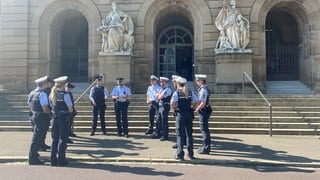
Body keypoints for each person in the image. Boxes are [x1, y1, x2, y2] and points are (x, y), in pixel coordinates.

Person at [170, 76, 198, 160]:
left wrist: (175, 108)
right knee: (189, 135)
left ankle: (180, 154)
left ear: (177, 83)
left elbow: (172, 103)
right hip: (189, 114)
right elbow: (197, 100)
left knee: (180, 135)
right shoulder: (190, 92)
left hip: (180, 115)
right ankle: (191, 154)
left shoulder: (177, 92)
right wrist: (193, 107)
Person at [49, 76, 73, 166]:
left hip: (55, 118)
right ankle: (61, 160)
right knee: (62, 139)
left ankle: (53, 160)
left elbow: (51, 106)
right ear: (64, 84)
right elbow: (70, 109)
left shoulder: (52, 94)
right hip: (63, 118)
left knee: (54, 139)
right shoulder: (65, 94)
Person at [27, 76, 51, 165]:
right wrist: (49, 114)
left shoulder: (32, 93)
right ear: (44, 84)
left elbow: (29, 104)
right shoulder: (42, 94)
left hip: (34, 115)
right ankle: (33, 158)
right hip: (41, 117)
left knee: (36, 136)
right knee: (37, 138)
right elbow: (45, 107)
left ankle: (34, 154)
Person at [195, 74, 212, 154]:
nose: (196, 82)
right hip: (204, 110)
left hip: (204, 110)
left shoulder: (203, 90)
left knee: (204, 130)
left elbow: (203, 102)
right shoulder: (202, 89)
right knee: (204, 129)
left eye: (198, 80)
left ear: (201, 81)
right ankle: (204, 146)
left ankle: (206, 148)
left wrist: (197, 108)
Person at [153, 77, 172, 141]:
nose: (160, 83)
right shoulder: (162, 89)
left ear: (165, 82)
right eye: (160, 82)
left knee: (164, 121)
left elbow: (160, 96)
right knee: (160, 120)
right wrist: (159, 95)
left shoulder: (167, 89)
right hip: (161, 106)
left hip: (165, 106)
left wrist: (159, 95)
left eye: (162, 82)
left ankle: (165, 135)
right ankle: (160, 133)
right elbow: (156, 95)